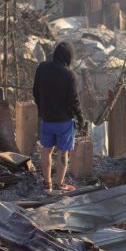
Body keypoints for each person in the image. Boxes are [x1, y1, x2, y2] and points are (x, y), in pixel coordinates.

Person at [33, 41, 85, 191]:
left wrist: (41, 109)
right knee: (63, 152)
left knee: (46, 150)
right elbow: (74, 101)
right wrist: (80, 118)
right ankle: (60, 184)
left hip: (47, 119)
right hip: (64, 122)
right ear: (68, 57)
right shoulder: (69, 75)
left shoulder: (42, 68)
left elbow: (35, 91)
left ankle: (47, 182)